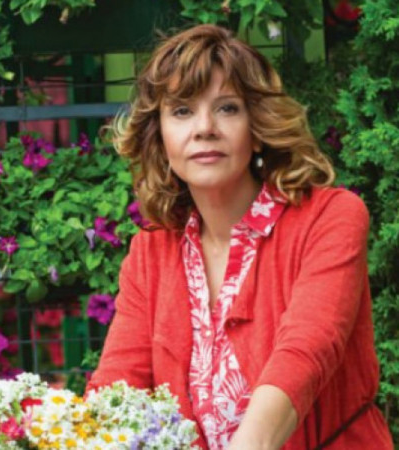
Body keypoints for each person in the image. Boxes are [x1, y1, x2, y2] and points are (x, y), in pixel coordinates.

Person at [85, 24, 393, 449]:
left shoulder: (330, 218)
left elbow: (305, 353)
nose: (205, 128)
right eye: (182, 111)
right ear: (160, 136)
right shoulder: (150, 253)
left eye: (227, 108)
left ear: (258, 127)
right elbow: (116, 394)